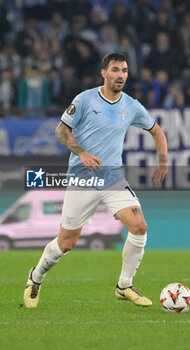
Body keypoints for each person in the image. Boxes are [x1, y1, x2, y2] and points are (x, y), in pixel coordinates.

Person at [23, 52, 168, 308]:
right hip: (82, 179)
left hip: (113, 178)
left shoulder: (131, 106)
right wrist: (82, 153)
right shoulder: (85, 100)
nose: (120, 75)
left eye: (124, 70)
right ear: (104, 73)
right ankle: (36, 277)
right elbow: (60, 131)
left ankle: (124, 285)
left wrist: (164, 161)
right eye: (115, 70)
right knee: (66, 243)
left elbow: (157, 131)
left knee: (139, 227)